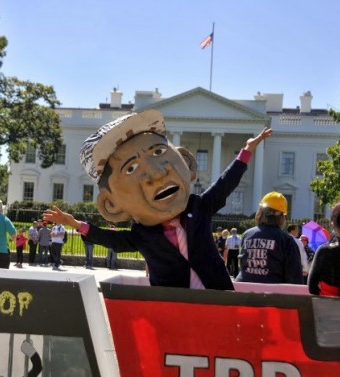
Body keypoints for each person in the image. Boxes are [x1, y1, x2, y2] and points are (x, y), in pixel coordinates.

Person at [43, 109, 272, 289]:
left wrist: (246, 151)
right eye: (131, 168)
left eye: (158, 153)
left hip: (216, 295)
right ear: (111, 206)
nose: (156, 173)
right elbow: (110, 240)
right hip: (170, 303)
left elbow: (225, 183)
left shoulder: (199, 208)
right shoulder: (143, 235)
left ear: (187, 163)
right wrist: (74, 224)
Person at [236, 192, 303, 284]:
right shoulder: (286, 240)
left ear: (260, 212)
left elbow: (242, 265)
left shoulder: (247, 235)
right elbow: (295, 277)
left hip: (243, 290)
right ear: (281, 216)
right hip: (272, 294)